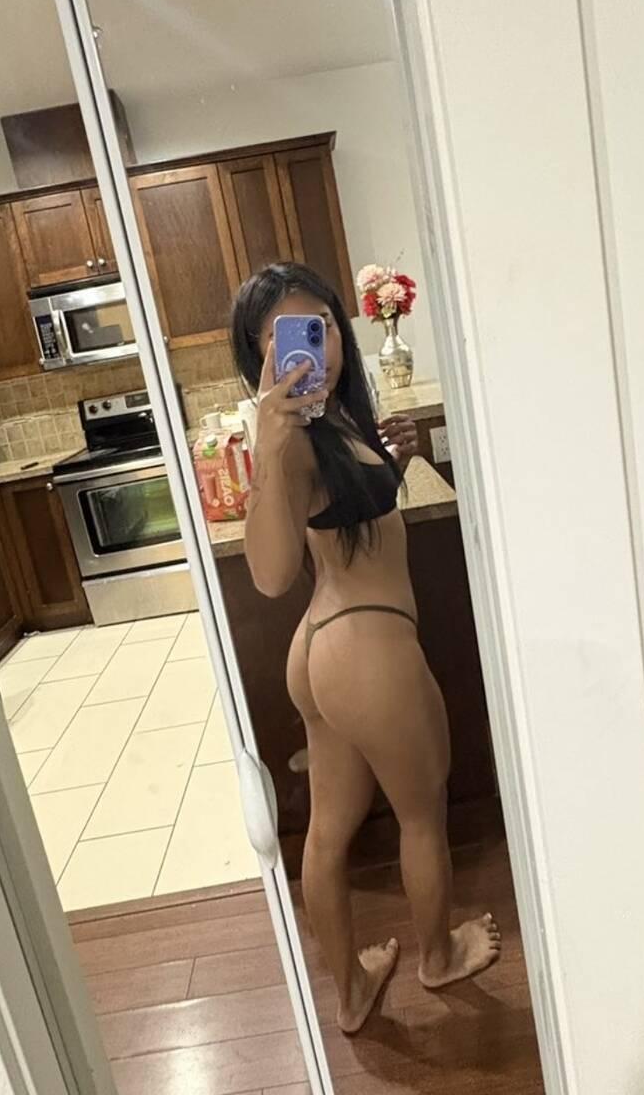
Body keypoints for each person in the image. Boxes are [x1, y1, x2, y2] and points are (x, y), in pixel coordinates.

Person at [231, 261, 500, 1034]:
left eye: (320, 325)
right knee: (421, 815)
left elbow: (356, 514)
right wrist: (267, 451)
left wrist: (397, 457)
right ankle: (437, 957)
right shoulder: (290, 439)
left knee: (328, 831)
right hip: (365, 650)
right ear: (258, 354)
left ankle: (351, 992)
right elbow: (271, 575)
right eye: (284, 336)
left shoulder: (334, 421)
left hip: (328, 648)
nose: (311, 347)